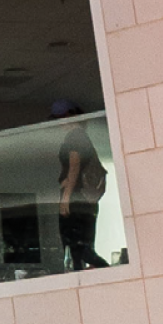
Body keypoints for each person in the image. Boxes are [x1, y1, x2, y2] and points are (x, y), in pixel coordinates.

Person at [56, 108, 106, 271]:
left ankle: (106, 270)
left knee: (78, 248)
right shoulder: (81, 137)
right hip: (83, 199)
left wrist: (66, 198)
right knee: (79, 250)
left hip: (77, 198)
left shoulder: (75, 136)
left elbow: (74, 166)